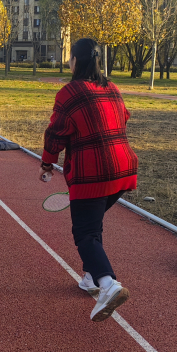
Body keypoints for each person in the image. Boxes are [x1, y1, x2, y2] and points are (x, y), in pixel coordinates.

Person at [39, 38, 138, 322]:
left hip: (93, 172)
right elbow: (124, 117)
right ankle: (90, 278)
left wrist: (47, 163)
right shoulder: (112, 87)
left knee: (83, 233)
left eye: (70, 57)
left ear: (76, 61)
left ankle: (108, 285)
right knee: (92, 226)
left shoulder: (69, 92)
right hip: (123, 169)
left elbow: (56, 133)